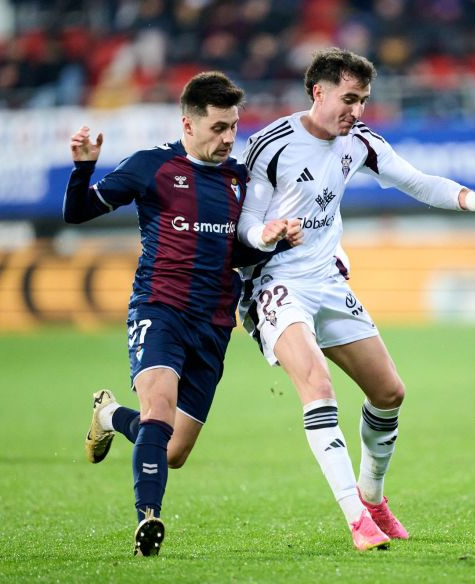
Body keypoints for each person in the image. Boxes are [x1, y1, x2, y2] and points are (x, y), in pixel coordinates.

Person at [236, 48, 475, 551]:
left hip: (327, 280)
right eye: (349, 99)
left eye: (364, 101)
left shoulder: (361, 143)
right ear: (318, 92)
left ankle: (372, 498)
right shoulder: (271, 146)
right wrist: (271, 232)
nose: (358, 111)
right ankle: (356, 520)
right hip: (274, 282)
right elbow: (242, 226)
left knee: (389, 393)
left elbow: (418, 183)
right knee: (317, 385)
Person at [63, 71, 302, 556]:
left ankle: (108, 415)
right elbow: (78, 213)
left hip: (214, 323)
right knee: (157, 411)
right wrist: (83, 169)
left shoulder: (240, 181)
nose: (228, 138)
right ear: (188, 124)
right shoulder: (152, 166)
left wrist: (271, 243)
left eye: (233, 127)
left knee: (171, 451)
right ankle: (148, 522)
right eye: (218, 127)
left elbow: (237, 255)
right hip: (160, 308)